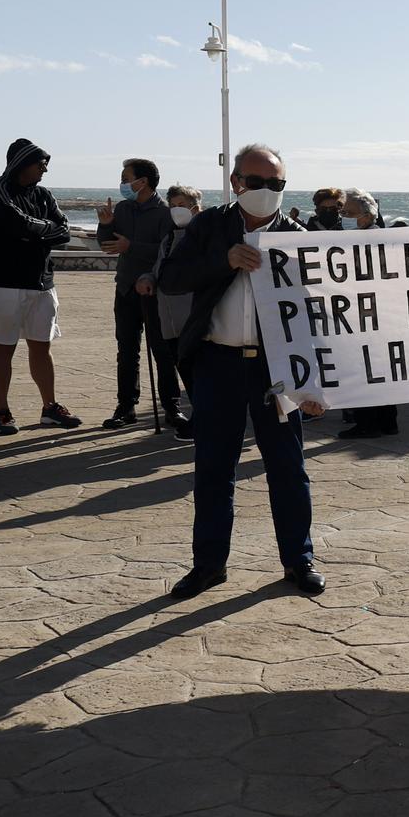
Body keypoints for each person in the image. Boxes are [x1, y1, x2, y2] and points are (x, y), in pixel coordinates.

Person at [158, 144, 328, 600]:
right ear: (236, 183)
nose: (267, 191)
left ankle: (299, 559)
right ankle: (208, 565)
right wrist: (224, 261)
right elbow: (170, 278)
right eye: (258, 183)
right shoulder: (209, 226)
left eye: (277, 184)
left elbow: (324, 313)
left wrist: (318, 386)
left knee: (288, 469)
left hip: (277, 372)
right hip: (217, 364)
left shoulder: (297, 236)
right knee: (213, 468)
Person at [0, 138, 81, 433]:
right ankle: (2, 412)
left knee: (41, 346)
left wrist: (36, 232)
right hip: (6, 283)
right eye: (41, 163)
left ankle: (50, 407)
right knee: (4, 347)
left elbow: (65, 231)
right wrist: (43, 230)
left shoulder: (45, 195)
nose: (45, 169)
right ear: (23, 163)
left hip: (42, 285)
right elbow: (18, 224)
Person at [95, 157, 182, 429]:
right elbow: (108, 245)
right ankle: (126, 406)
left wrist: (131, 246)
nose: (122, 183)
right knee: (127, 350)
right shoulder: (122, 209)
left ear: (142, 182)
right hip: (125, 289)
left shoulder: (165, 213)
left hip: (155, 291)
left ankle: (171, 406)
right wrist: (107, 224)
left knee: (163, 350)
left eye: (126, 178)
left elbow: (167, 251)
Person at [336, 188, 398, 439]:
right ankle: (387, 421)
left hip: (368, 312)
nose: (343, 213)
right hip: (378, 312)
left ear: (363, 213)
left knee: (365, 367)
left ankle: (368, 423)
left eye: (347, 210)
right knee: (381, 368)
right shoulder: (376, 235)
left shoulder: (366, 239)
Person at [154, 186, 204, 440]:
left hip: (193, 318)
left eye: (181, 204)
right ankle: (201, 418)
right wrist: (146, 279)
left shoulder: (204, 236)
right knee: (185, 370)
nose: (176, 210)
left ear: (195, 208)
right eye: (172, 205)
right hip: (170, 319)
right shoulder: (170, 237)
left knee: (199, 373)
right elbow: (158, 270)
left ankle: (202, 421)